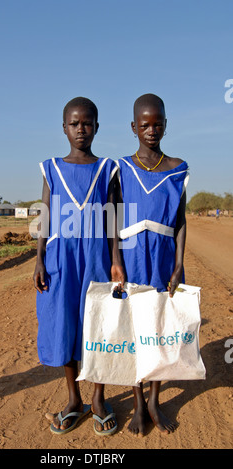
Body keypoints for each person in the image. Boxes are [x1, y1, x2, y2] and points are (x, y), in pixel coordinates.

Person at [33, 97, 124, 435]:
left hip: (96, 258)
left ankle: (99, 398)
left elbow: (114, 219)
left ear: (97, 127)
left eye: (88, 123)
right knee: (65, 324)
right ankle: (74, 399)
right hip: (60, 259)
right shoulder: (52, 168)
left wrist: (116, 261)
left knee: (99, 326)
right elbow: (44, 216)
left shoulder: (106, 169)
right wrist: (39, 258)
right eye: (74, 124)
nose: (81, 129)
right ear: (64, 128)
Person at [117, 93, 189, 435]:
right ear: (133, 127)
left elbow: (181, 221)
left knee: (161, 330)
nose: (151, 129)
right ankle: (136, 402)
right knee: (134, 333)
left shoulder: (177, 168)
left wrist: (178, 266)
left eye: (157, 123)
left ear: (165, 124)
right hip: (131, 257)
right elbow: (111, 221)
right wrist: (116, 262)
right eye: (144, 124)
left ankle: (154, 402)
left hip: (163, 259)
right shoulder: (121, 169)